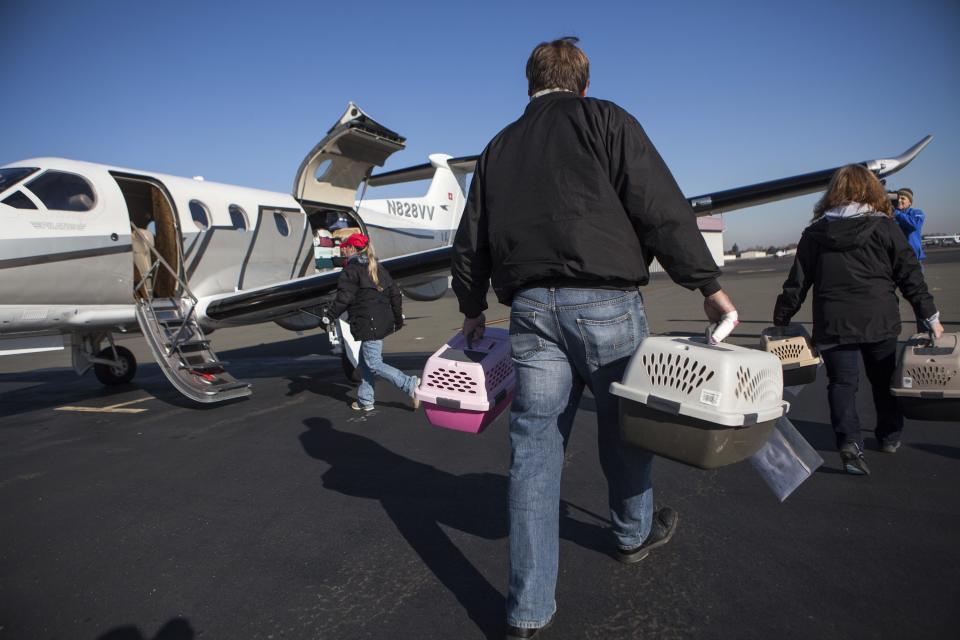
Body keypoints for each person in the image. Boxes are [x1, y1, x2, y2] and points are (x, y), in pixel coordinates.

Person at [451, 37, 737, 639]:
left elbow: (470, 238)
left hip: (530, 309)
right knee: (626, 428)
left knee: (533, 452)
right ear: (581, 82)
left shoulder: (497, 147)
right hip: (605, 304)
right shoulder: (607, 119)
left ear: (531, 85)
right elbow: (659, 206)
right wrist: (705, 283)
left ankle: (527, 612)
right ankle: (632, 533)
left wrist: (472, 307)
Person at [773, 165, 942, 476]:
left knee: (841, 383)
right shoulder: (886, 227)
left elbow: (797, 281)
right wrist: (929, 314)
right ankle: (889, 435)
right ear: (872, 190)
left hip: (834, 322)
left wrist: (782, 317)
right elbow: (909, 275)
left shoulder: (815, 233)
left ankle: (849, 443)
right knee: (883, 381)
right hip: (879, 319)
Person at [323, 233, 420, 412]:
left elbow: (344, 298)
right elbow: (395, 294)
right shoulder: (378, 267)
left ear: (352, 248)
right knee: (365, 362)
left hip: (368, 324)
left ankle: (409, 385)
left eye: (345, 246)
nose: (342, 248)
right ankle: (365, 399)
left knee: (374, 363)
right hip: (380, 322)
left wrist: (329, 316)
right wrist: (397, 319)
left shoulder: (351, 270)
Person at [893, 187, 928, 332]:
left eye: (903, 198)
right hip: (894, 263)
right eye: (898, 198)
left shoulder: (917, 213)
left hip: (913, 262)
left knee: (919, 298)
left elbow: (914, 225)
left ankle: (925, 332)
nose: (900, 200)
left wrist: (896, 213)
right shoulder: (891, 216)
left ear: (910, 202)